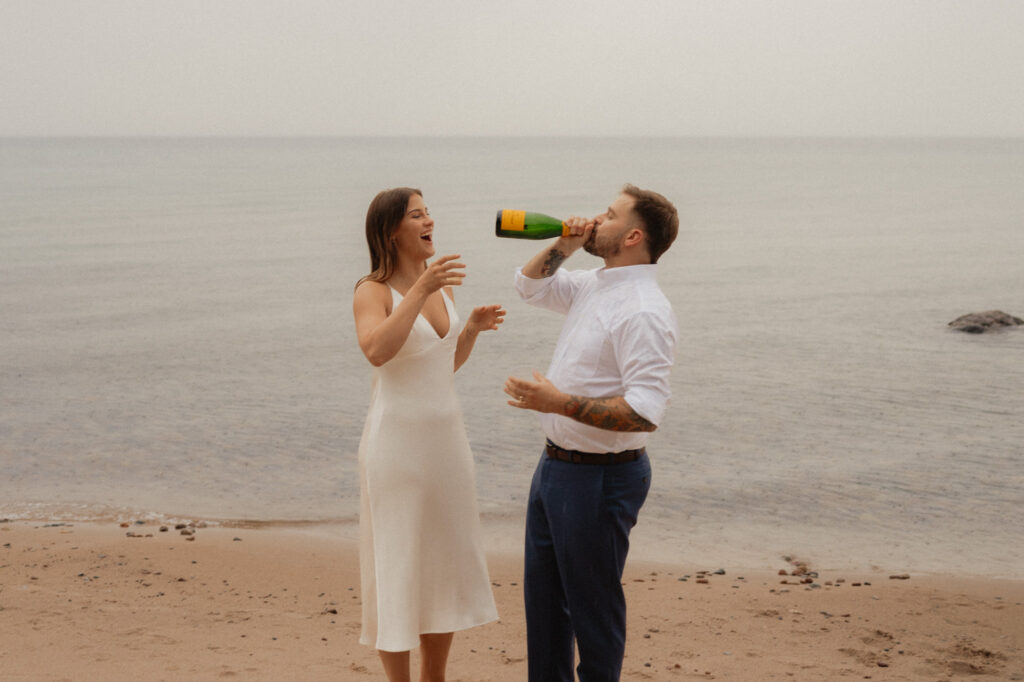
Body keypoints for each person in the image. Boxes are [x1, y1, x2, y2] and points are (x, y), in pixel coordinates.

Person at [504, 184, 679, 682]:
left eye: (610, 214)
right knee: (544, 607)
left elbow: (645, 411)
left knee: (593, 612)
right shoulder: (597, 284)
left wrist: (557, 403)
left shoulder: (644, 309)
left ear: (633, 236)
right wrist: (564, 242)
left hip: (602, 479)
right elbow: (529, 286)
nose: (596, 219)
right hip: (556, 467)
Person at [353, 187, 504, 682]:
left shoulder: (444, 288)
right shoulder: (371, 291)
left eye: (428, 211)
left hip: (447, 446)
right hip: (396, 447)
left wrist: (472, 332)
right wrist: (419, 289)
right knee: (396, 566)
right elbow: (378, 350)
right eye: (416, 214)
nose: (428, 220)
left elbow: (440, 366)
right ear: (391, 231)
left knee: (443, 564)